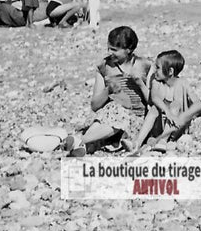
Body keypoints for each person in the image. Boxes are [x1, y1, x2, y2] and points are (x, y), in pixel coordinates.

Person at [62, 26, 154, 156]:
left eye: (114, 50)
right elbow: (95, 106)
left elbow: (153, 102)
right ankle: (82, 145)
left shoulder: (145, 66)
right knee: (113, 108)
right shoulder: (104, 66)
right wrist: (108, 90)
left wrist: (140, 84)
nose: (110, 52)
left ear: (128, 49)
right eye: (109, 48)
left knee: (119, 114)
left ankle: (80, 140)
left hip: (135, 119)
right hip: (110, 116)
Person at [128, 49, 201, 153]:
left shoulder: (182, 83)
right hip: (159, 125)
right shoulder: (156, 82)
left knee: (175, 105)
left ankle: (163, 141)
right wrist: (167, 111)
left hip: (175, 127)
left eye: (158, 68)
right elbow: (155, 98)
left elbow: (198, 104)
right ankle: (137, 143)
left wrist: (184, 116)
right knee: (154, 109)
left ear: (170, 71)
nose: (155, 71)